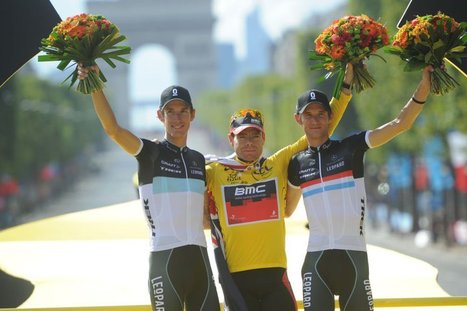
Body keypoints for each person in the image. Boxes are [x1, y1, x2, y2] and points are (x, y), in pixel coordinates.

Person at [206, 65, 354, 311]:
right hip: (237, 278)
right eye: (242, 137)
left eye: (255, 136)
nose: (249, 142)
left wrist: (346, 88)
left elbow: (320, 130)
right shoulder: (215, 171)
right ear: (230, 139)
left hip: (275, 275)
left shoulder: (277, 164)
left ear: (264, 138)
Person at [287, 64, 433, 311]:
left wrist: (424, 88)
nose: (314, 120)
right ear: (298, 119)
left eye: (320, 114)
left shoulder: (351, 147)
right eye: (308, 115)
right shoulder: (296, 163)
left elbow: (400, 123)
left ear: (330, 116)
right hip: (316, 261)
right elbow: (286, 210)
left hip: (353, 258)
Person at [77, 64, 220, 311]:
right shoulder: (150, 153)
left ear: (192, 115)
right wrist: (95, 84)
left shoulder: (199, 160)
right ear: (159, 116)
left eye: (183, 111)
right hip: (165, 263)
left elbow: (206, 217)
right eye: (170, 112)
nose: (177, 118)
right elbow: (113, 130)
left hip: (200, 262)